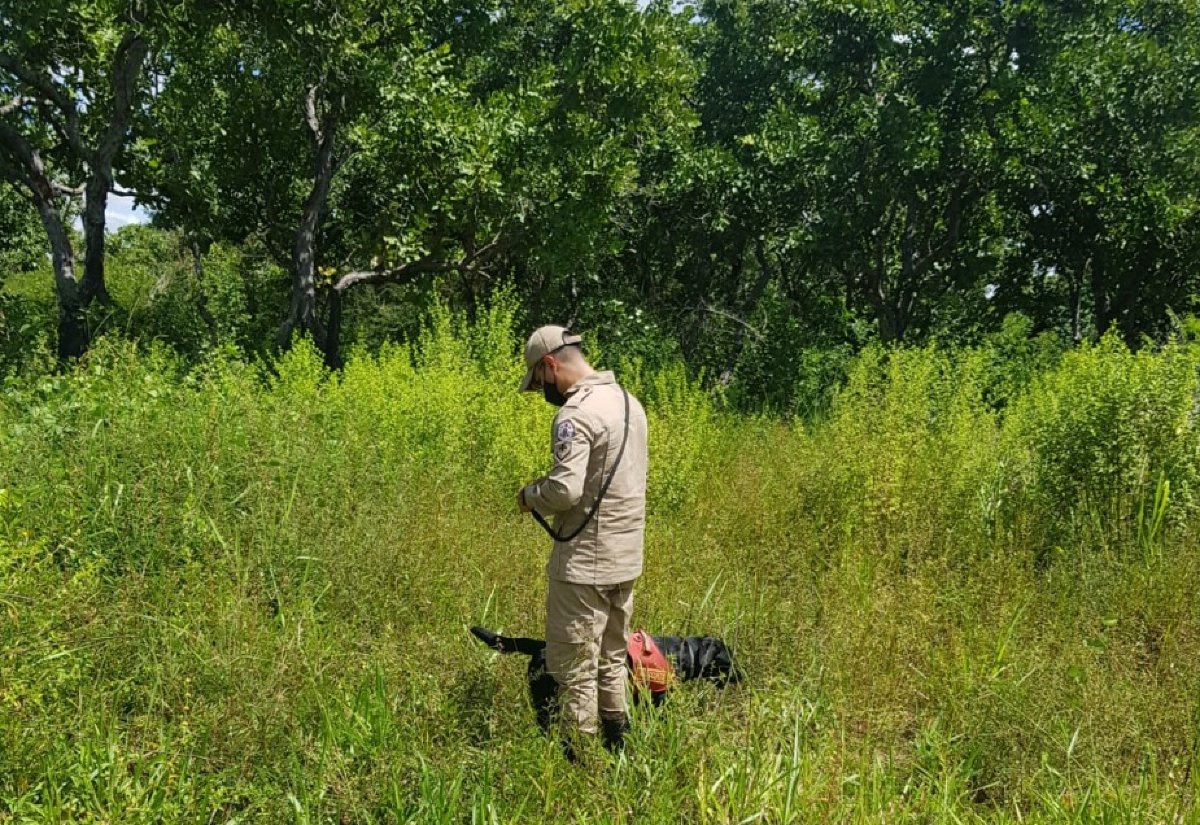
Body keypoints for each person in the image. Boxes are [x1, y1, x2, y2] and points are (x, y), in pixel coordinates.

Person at [516, 325, 648, 755]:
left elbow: (565, 491)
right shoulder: (630, 404)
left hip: (584, 564)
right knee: (611, 659)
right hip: (625, 559)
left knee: (573, 668)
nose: (541, 392)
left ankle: (581, 763)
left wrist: (530, 496)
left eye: (539, 382)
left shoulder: (575, 414)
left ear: (551, 364)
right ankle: (619, 751)